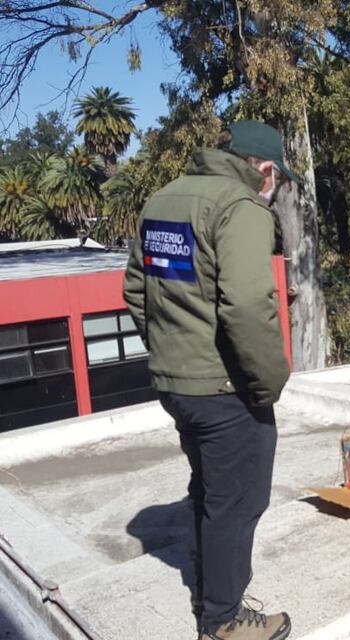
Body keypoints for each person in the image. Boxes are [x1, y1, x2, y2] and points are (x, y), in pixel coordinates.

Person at [123, 121, 296, 640]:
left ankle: (208, 593)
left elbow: (136, 289)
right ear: (264, 170)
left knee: (209, 491)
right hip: (224, 389)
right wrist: (269, 384)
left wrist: (171, 353)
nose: (273, 188)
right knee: (237, 500)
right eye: (276, 179)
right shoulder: (240, 206)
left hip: (177, 385)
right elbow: (247, 306)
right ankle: (222, 621)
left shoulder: (164, 199)